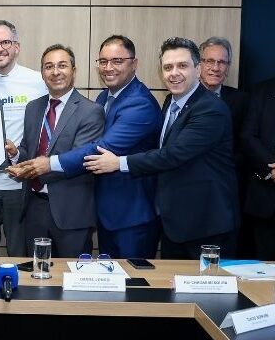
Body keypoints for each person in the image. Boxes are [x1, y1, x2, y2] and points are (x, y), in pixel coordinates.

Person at [85, 37, 238, 260]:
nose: (174, 73)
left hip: (206, 224)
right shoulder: (171, 102)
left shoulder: (210, 109)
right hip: (174, 221)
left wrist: (119, 162)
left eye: (182, 65)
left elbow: (173, 154)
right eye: (168, 67)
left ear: (197, 69)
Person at [13, 35, 162, 258]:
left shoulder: (139, 103)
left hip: (131, 213)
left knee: (131, 277)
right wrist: (16, 154)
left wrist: (49, 164)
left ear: (134, 63)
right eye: (103, 61)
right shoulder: (105, 97)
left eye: (117, 61)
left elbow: (99, 148)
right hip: (103, 212)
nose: (108, 67)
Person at [6, 45, 104, 258]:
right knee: (36, 273)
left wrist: (35, 168)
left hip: (71, 212)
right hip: (34, 208)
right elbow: (29, 151)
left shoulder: (91, 111)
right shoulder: (33, 108)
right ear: (42, 73)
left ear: (74, 71)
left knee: (71, 275)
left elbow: (81, 160)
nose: (55, 72)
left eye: (62, 66)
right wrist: (15, 154)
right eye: (49, 67)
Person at [0, 20, 47, 257]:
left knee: (20, 253)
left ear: (17, 46)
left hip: (21, 183)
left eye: (5, 42)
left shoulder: (39, 81)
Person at [199, 36, 251, 258]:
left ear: (228, 67)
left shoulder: (242, 100)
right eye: (209, 61)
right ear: (199, 64)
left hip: (224, 195)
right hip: (187, 195)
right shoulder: (178, 99)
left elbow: (245, 144)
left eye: (222, 62)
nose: (216, 67)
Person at [241, 77, 275, 260]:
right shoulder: (261, 91)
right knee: (264, 264)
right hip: (266, 197)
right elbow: (248, 136)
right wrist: (271, 166)